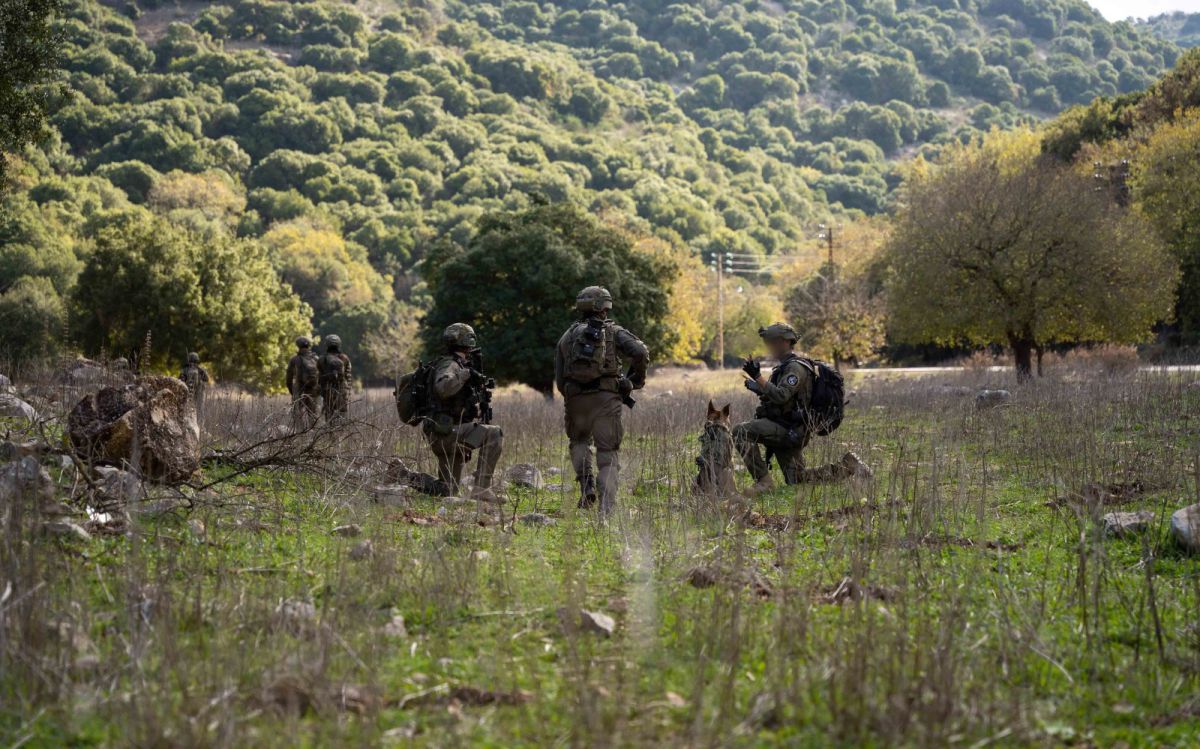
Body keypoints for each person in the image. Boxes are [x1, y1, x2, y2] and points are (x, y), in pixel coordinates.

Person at [734, 323, 870, 497]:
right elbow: (784, 398)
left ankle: (763, 482)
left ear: (784, 342)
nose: (769, 346)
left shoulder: (795, 367)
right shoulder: (785, 367)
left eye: (772, 341)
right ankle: (848, 466)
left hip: (788, 429)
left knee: (740, 431)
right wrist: (759, 388)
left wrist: (758, 377)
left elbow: (782, 395)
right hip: (787, 426)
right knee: (797, 478)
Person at [554, 286, 648, 514]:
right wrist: (633, 381)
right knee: (607, 452)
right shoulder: (614, 332)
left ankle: (587, 487)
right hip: (607, 399)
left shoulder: (566, 338)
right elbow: (640, 352)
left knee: (579, 443)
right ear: (605, 308)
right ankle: (606, 506)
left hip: (575, 400)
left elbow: (559, 379)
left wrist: (574, 396)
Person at [405, 323, 505, 503]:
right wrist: (466, 374)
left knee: (447, 489)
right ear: (468, 340)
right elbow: (443, 388)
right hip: (446, 434)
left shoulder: (455, 363)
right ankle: (481, 489)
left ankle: (401, 475)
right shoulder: (450, 365)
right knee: (495, 433)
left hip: (445, 433)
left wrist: (468, 439)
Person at [286, 336, 320, 429]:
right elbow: (321, 375)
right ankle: (314, 436)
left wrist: (293, 392)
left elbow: (288, 379)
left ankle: (300, 436)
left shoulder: (294, 359)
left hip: (299, 390)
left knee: (298, 415)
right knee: (313, 415)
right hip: (313, 390)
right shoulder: (316, 358)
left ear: (298, 346)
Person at [318, 334, 352, 423]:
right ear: (338, 344)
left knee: (329, 415)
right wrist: (348, 390)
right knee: (342, 414)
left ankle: (330, 435)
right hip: (341, 390)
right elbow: (348, 375)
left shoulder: (321, 359)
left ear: (327, 344)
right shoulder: (344, 358)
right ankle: (342, 434)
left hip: (327, 390)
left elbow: (319, 374)